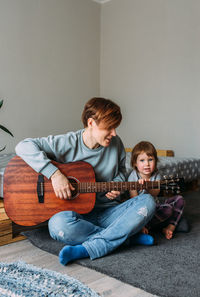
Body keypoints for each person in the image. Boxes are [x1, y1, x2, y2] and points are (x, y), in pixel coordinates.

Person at [15, 97, 156, 265]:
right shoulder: (66, 142)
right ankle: (125, 238)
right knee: (57, 226)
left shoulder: (116, 143)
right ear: (91, 123)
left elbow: (122, 171)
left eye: (115, 128)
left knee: (148, 201)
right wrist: (54, 174)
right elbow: (23, 146)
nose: (114, 133)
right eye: (109, 127)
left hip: (108, 212)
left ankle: (90, 247)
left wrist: (117, 184)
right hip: (77, 217)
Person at [128, 141, 185, 240]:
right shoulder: (132, 177)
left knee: (179, 200)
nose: (147, 164)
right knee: (168, 210)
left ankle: (170, 227)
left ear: (156, 161)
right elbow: (134, 200)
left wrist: (148, 187)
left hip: (156, 207)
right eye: (142, 160)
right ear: (135, 163)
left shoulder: (156, 175)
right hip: (141, 211)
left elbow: (156, 193)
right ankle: (144, 226)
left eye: (150, 159)